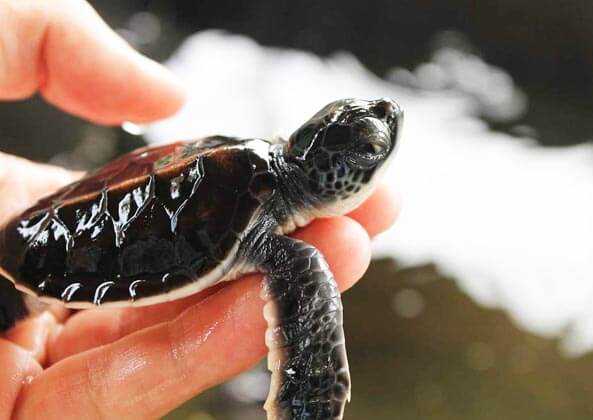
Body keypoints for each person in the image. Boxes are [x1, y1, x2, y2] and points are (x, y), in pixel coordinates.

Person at [0, 1, 399, 418]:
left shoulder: (251, 156)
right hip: (44, 255)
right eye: (370, 149)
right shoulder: (290, 253)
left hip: (39, 233)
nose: (391, 115)